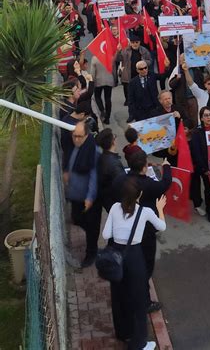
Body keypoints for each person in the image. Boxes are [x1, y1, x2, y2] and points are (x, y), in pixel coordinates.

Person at [103, 178, 166, 349]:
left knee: (118, 297)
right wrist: (160, 209)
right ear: (140, 194)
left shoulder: (115, 208)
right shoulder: (144, 212)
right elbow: (162, 227)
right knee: (138, 301)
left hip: (116, 256)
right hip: (135, 258)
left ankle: (123, 333)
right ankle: (139, 343)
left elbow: (105, 234)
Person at [112, 150, 171, 313]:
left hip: (123, 231)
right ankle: (143, 299)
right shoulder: (148, 186)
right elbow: (165, 184)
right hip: (144, 234)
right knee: (146, 264)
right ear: (145, 168)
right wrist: (167, 167)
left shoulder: (120, 180)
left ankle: (133, 286)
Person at [63, 120, 101, 267]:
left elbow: (94, 177)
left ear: (87, 135)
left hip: (88, 198)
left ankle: (91, 254)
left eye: (80, 136)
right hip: (75, 195)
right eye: (74, 136)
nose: (76, 139)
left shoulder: (93, 152)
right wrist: (67, 172)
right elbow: (71, 161)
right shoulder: (75, 147)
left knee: (91, 227)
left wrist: (90, 197)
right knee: (77, 218)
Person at [116, 35, 152, 106]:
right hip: (128, 74)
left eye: (136, 42)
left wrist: (144, 62)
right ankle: (128, 100)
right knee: (127, 89)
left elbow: (150, 60)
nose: (135, 44)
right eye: (133, 42)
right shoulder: (125, 50)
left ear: (139, 42)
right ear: (130, 43)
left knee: (140, 90)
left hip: (140, 74)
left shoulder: (144, 50)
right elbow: (118, 59)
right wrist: (118, 51)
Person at [96, 128, 125, 212]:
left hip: (107, 198)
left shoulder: (103, 156)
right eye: (114, 137)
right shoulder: (113, 163)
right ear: (113, 142)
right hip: (115, 202)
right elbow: (122, 185)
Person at [91, 53, 115, 125]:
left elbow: (93, 72)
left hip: (98, 81)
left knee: (97, 96)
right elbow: (113, 70)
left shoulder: (95, 58)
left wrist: (92, 82)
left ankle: (102, 110)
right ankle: (108, 118)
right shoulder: (110, 57)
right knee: (108, 98)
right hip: (109, 79)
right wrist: (114, 79)